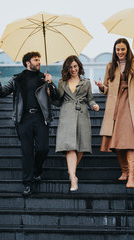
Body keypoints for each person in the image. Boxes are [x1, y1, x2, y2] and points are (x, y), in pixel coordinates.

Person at [0, 51, 57, 196]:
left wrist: (51, 83)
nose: (39, 62)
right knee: (27, 152)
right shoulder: (17, 79)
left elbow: (56, 98)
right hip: (24, 119)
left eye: (39, 59)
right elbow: (2, 93)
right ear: (28, 63)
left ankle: (36, 171)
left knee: (43, 148)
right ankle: (27, 183)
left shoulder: (44, 78)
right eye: (36, 59)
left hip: (41, 118)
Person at [94, 38, 134, 188]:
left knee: (130, 141)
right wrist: (100, 86)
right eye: (117, 50)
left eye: (122, 49)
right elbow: (106, 89)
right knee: (115, 142)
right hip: (115, 105)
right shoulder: (110, 66)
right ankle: (124, 170)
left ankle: (132, 175)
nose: (120, 52)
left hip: (131, 105)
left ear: (128, 49)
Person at [53, 55, 99, 192]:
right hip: (67, 114)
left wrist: (94, 105)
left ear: (79, 66)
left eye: (75, 66)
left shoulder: (86, 82)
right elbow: (58, 101)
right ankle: (73, 178)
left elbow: (90, 99)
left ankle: (70, 171)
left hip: (82, 114)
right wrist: (50, 92)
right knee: (70, 146)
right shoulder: (62, 82)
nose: (73, 69)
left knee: (81, 147)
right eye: (70, 67)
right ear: (67, 68)